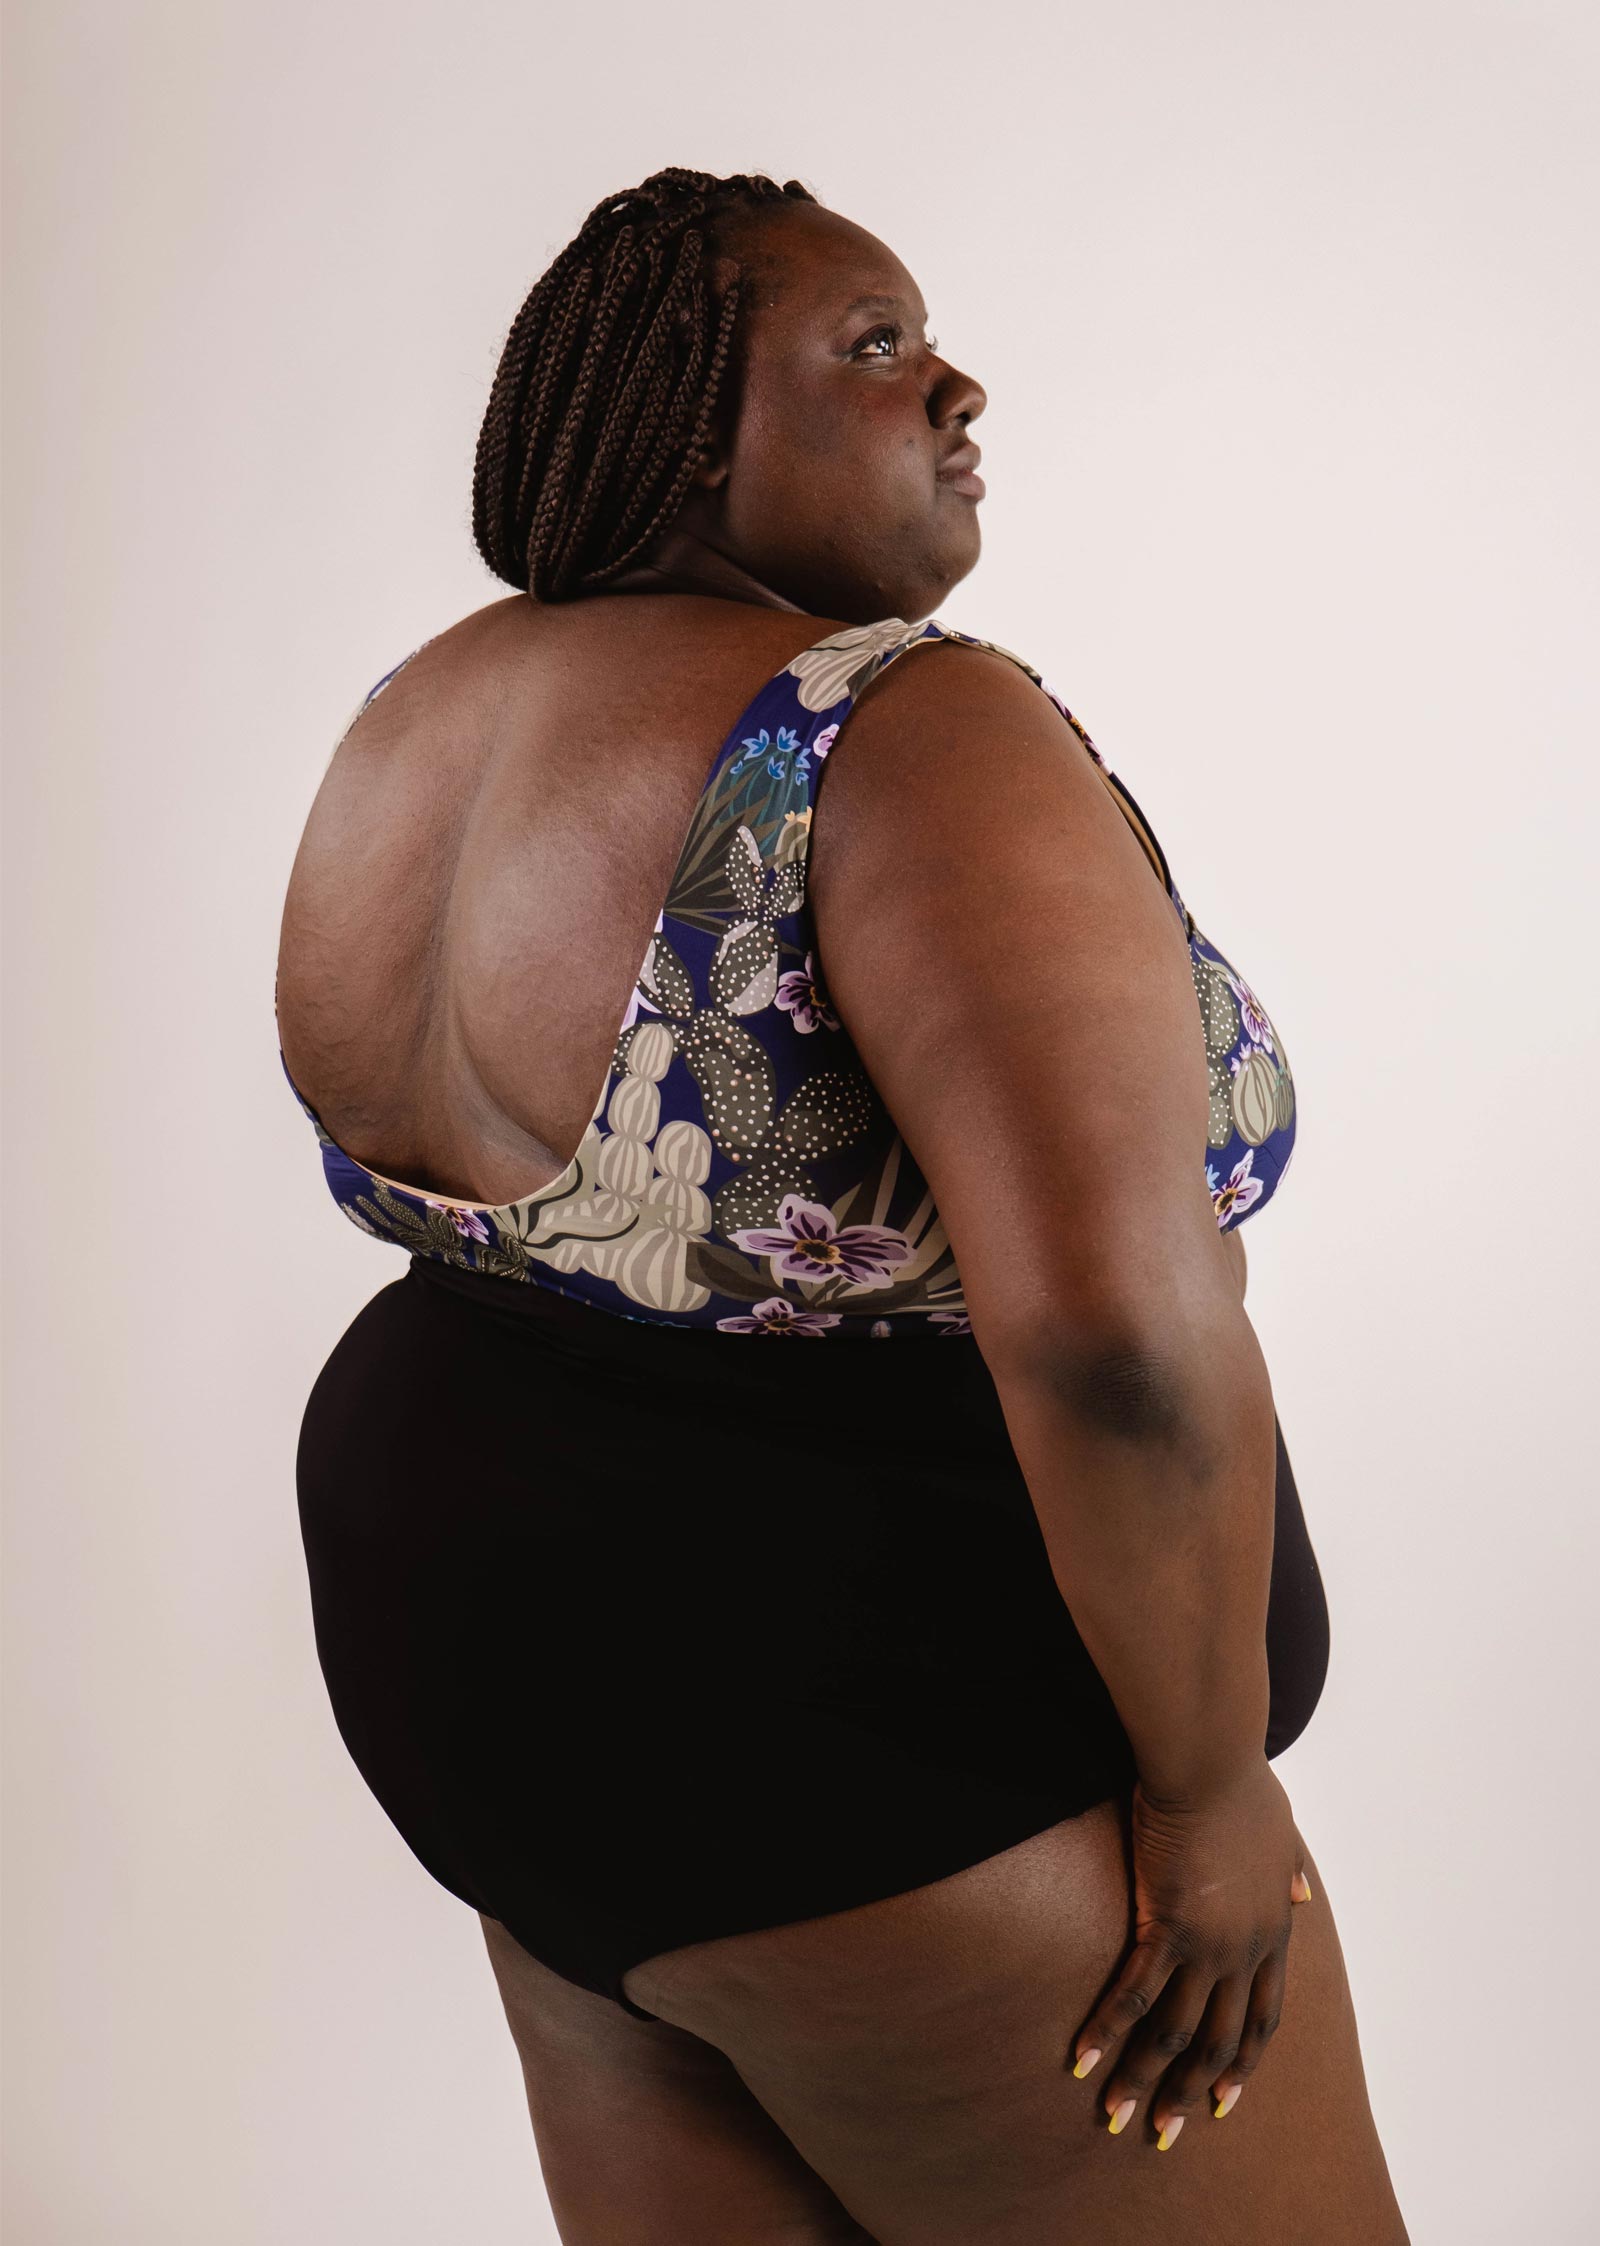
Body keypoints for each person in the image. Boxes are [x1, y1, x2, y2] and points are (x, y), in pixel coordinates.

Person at [276, 167, 1409, 2242]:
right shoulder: (893, 722)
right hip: (874, 1761)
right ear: (688, 422)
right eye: (873, 347)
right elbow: (1113, 1339)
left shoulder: (425, 711)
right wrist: (1210, 1792)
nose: (953, 384)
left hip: (501, 1704)